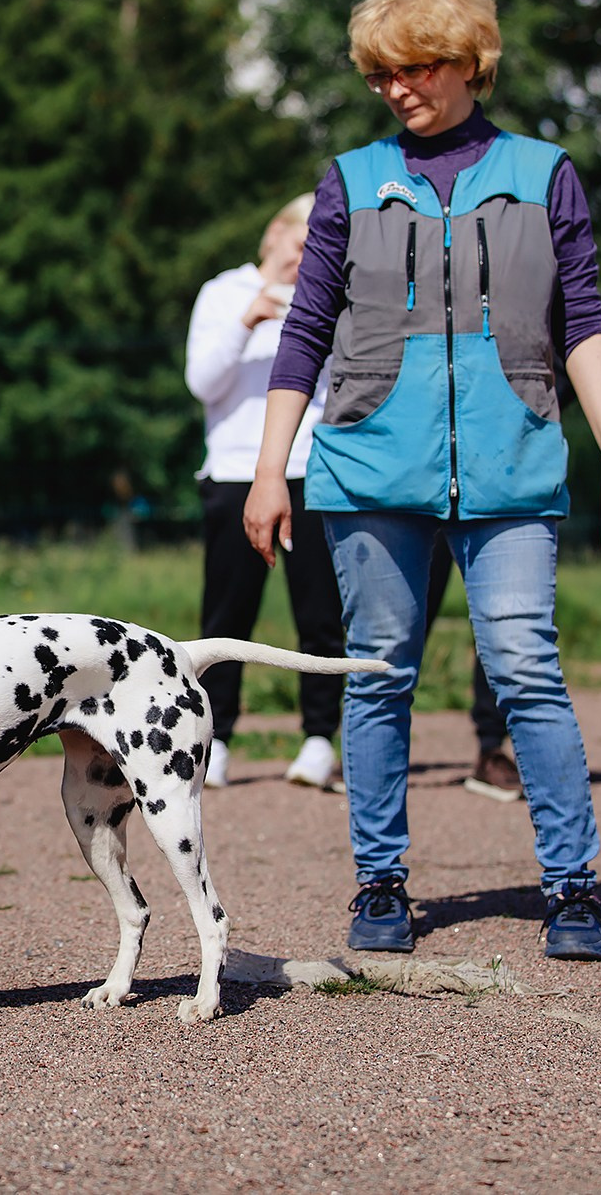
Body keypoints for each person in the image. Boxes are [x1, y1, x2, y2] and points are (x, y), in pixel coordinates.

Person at [244, 0, 601, 963]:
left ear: (468, 61)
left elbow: (581, 320)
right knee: (378, 673)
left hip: (511, 463)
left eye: (415, 68)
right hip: (367, 467)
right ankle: (379, 880)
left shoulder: (543, 172)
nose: (396, 89)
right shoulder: (351, 179)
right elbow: (305, 330)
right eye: (379, 74)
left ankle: (571, 887)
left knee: (525, 668)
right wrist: (270, 470)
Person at [185, 195, 347, 791]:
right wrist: (247, 319)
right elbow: (202, 383)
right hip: (234, 474)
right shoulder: (222, 292)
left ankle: (319, 740)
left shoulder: (328, 294)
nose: (306, 254)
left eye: (318, 245)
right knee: (226, 619)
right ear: (275, 232)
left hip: (312, 470)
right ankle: (215, 740)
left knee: (321, 614)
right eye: (302, 240)